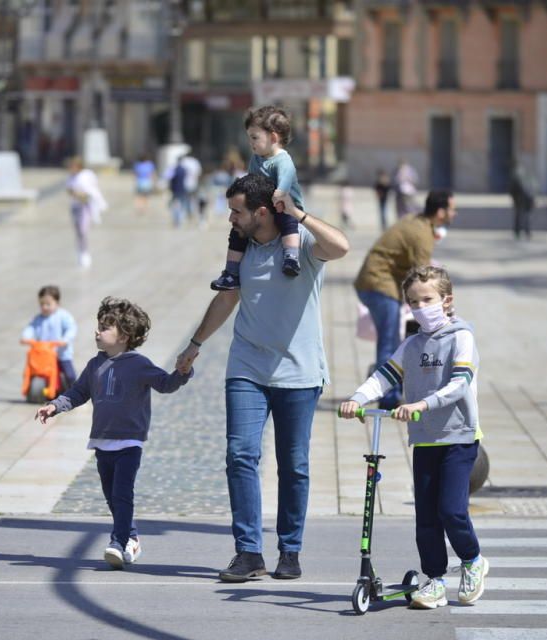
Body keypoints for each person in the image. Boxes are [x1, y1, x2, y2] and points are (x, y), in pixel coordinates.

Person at [175, 173, 350, 583]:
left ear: (262, 212)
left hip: (299, 372)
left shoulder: (300, 244)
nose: (230, 219)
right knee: (240, 455)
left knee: (294, 464)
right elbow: (226, 298)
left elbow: (341, 246)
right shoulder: (243, 251)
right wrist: (195, 343)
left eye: (237, 212)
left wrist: (299, 214)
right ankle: (249, 552)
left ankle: (290, 549)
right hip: (247, 368)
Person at [339, 265, 487, 610]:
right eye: (413, 302)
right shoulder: (412, 344)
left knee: (451, 510)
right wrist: (357, 399)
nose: (420, 307)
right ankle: (435, 580)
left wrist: (422, 403)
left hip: (459, 437)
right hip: (424, 439)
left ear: (446, 300)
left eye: (427, 300)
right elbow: (384, 376)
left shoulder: (462, 338)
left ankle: (473, 560)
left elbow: (459, 384)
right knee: (426, 518)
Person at [36, 297, 193, 569]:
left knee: (122, 493)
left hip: (129, 442)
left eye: (104, 327)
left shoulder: (139, 364)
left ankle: (118, 542)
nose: (97, 331)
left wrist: (182, 372)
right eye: (98, 326)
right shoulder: (94, 365)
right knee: (112, 497)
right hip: (102, 442)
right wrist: (55, 406)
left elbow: (165, 384)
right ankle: (131, 538)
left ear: (124, 336)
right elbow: (78, 392)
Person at [353, 190, 457, 410]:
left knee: (391, 341)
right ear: (440, 212)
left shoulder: (418, 222)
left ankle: (390, 390)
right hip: (379, 284)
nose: (454, 213)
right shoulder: (422, 235)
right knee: (389, 342)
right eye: (451, 209)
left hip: (373, 281)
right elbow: (424, 279)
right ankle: (388, 397)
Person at [211, 106, 305, 291]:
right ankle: (231, 272)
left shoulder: (282, 160)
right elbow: (251, 180)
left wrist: (281, 192)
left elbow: (286, 179)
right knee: (237, 232)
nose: (250, 143)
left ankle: (291, 257)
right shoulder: (256, 158)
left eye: (254, 137)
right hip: (264, 204)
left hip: (286, 205)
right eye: (249, 138)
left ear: (273, 138)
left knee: (288, 223)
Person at [21, 285, 79, 389]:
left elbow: (71, 328)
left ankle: (75, 392)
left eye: (48, 304)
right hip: (43, 353)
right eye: (42, 304)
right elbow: (31, 327)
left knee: (70, 375)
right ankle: (31, 389)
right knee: (33, 370)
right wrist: (26, 337)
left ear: (57, 303)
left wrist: (65, 339)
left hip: (61, 354)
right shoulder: (38, 318)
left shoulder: (63, 316)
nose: (44, 307)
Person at [66, 156, 107, 267]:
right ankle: (80, 250)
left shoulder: (85, 176)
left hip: (85, 206)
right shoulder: (71, 177)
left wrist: (81, 195)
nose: (72, 169)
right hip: (75, 206)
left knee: (83, 230)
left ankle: (85, 253)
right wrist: (75, 193)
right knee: (78, 231)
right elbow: (69, 190)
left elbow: (91, 191)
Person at [508, 160, 536, 240]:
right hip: (523, 200)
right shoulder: (525, 177)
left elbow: (512, 189)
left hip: (522, 200)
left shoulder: (519, 177)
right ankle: (524, 232)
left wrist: (514, 198)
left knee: (522, 217)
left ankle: (521, 232)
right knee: (524, 217)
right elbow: (534, 188)